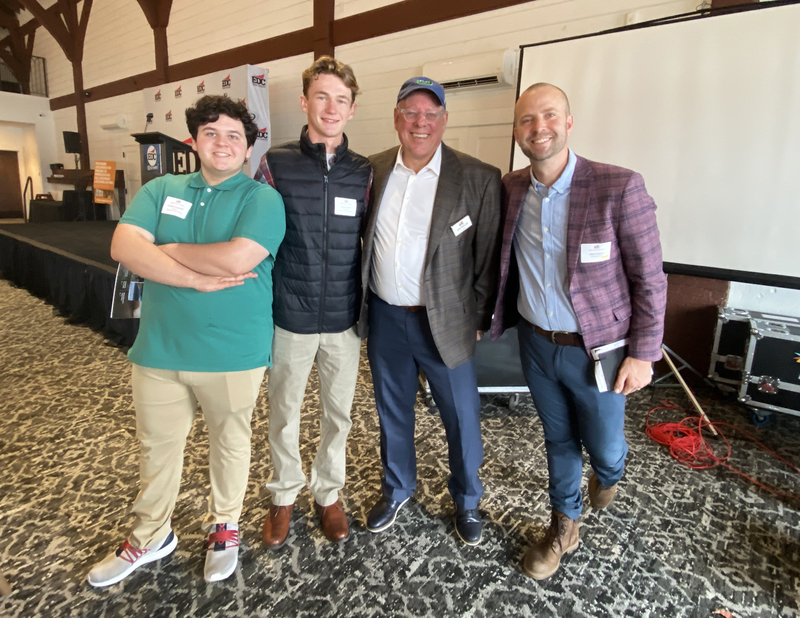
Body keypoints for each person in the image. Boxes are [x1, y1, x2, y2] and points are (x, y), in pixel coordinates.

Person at [87, 95, 286, 586]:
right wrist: (194, 277)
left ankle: (225, 527)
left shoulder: (262, 198)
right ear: (194, 141)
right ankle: (150, 535)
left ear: (248, 150)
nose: (222, 143)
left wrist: (166, 250)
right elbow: (123, 247)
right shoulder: (160, 189)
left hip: (233, 349)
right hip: (160, 348)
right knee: (157, 448)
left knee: (231, 443)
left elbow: (239, 259)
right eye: (212, 133)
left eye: (234, 136)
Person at [490, 83, 667, 579]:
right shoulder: (511, 189)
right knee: (559, 438)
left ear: (569, 122)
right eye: (527, 119)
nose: (538, 127)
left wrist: (643, 353)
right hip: (536, 344)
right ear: (517, 131)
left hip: (602, 351)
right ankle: (565, 525)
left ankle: (610, 474)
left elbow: (649, 277)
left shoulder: (618, 186)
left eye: (549, 116)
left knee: (606, 446)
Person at [359, 77, 501, 546]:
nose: (421, 123)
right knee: (392, 411)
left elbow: (487, 258)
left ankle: (467, 500)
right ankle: (398, 487)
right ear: (396, 118)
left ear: (444, 120)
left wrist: (478, 318)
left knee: (461, 416)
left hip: (444, 322)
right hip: (385, 316)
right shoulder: (371, 170)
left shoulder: (478, 177)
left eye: (430, 114)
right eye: (411, 113)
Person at [255, 56, 371, 547]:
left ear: (352, 108)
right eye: (321, 96)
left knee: (338, 414)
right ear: (304, 102)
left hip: (344, 318)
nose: (330, 107)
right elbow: (256, 240)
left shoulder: (365, 171)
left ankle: (328, 493)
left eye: (340, 99)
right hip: (291, 316)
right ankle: (283, 494)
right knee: (283, 411)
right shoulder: (274, 163)